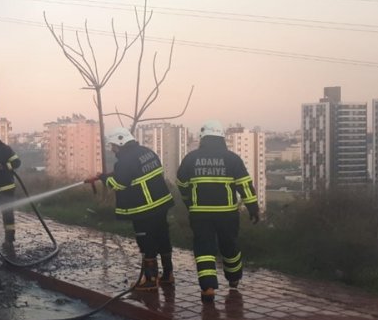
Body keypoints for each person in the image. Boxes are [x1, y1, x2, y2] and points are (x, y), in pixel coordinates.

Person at [176, 119, 260, 304]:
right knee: (229, 245)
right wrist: (253, 208)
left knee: (204, 248)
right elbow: (245, 186)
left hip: (199, 213)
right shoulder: (232, 159)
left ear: (202, 138)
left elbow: (181, 183)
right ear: (221, 137)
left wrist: (189, 202)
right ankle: (234, 279)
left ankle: (207, 288)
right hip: (227, 213)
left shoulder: (191, 158)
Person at [85, 127, 174, 297]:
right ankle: (168, 275)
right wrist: (106, 174)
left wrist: (103, 178)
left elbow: (119, 184)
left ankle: (150, 280)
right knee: (162, 236)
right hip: (162, 203)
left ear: (120, 143)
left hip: (145, 208)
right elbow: (134, 172)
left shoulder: (124, 161)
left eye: (113, 146)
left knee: (146, 242)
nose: (112, 149)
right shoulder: (147, 152)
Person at [0, 135, 22, 255]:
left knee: (7, 214)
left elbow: (17, 162)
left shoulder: (5, 149)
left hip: (5, 188)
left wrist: (3, 166)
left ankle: (9, 240)